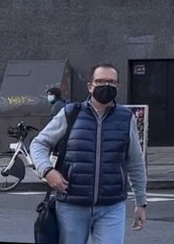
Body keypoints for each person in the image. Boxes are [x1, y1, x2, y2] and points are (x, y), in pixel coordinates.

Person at [30, 64, 148, 243]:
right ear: (90, 86)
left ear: (118, 87)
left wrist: (141, 202)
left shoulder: (125, 118)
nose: (106, 85)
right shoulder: (71, 113)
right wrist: (47, 171)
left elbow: (135, 162)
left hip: (111, 206)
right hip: (72, 205)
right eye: (100, 81)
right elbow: (38, 143)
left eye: (111, 82)